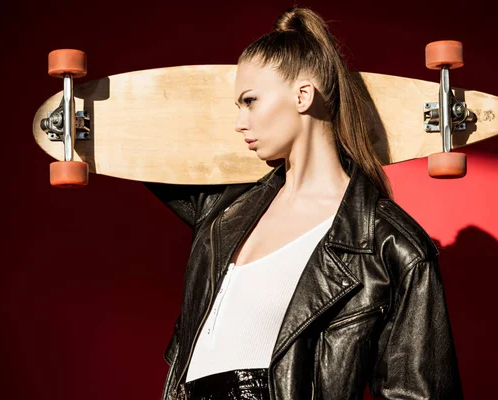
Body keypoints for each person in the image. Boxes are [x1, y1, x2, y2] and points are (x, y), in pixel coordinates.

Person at [143, 6, 463, 400]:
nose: (240, 122)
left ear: (303, 95)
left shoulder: (391, 245)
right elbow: (141, 150)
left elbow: (419, 393)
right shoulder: (224, 211)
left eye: (250, 101)